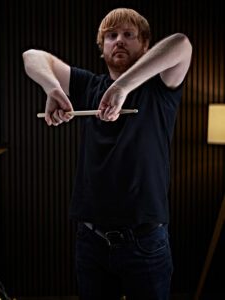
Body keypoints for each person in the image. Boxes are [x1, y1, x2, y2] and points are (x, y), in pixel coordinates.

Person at [22, 8, 192, 300]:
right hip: (91, 241)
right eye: (111, 36)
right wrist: (52, 88)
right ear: (102, 48)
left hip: (146, 241)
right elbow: (32, 55)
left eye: (129, 35)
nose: (119, 41)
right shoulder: (88, 85)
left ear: (145, 45)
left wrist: (123, 86)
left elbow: (181, 43)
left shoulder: (160, 87)